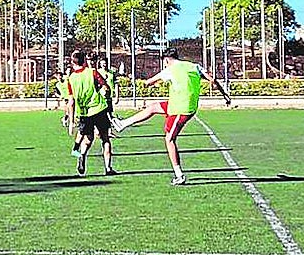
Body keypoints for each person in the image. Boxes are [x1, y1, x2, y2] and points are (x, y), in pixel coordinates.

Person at [113, 47, 231, 185]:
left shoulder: (169, 70)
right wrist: (225, 95)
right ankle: (122, 124)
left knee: (169, 139)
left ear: (167, 60)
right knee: (152, 107)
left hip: (180, 109)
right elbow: (213, 80)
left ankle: (179, 175)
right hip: (183, 105)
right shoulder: (194, 66)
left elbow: (148, 82)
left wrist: (135, 79)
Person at [66, 49, 115, 176]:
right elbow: (106, 87)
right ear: (84, 61)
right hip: (98, 109)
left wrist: (71, 122)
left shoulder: (71, 78)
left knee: (88, 139)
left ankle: (81, 155)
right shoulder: (92, 72)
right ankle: (108, 168)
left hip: (84, 112)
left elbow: (71, 101)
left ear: (73, 63)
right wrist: (106, 92)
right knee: (105, 139)